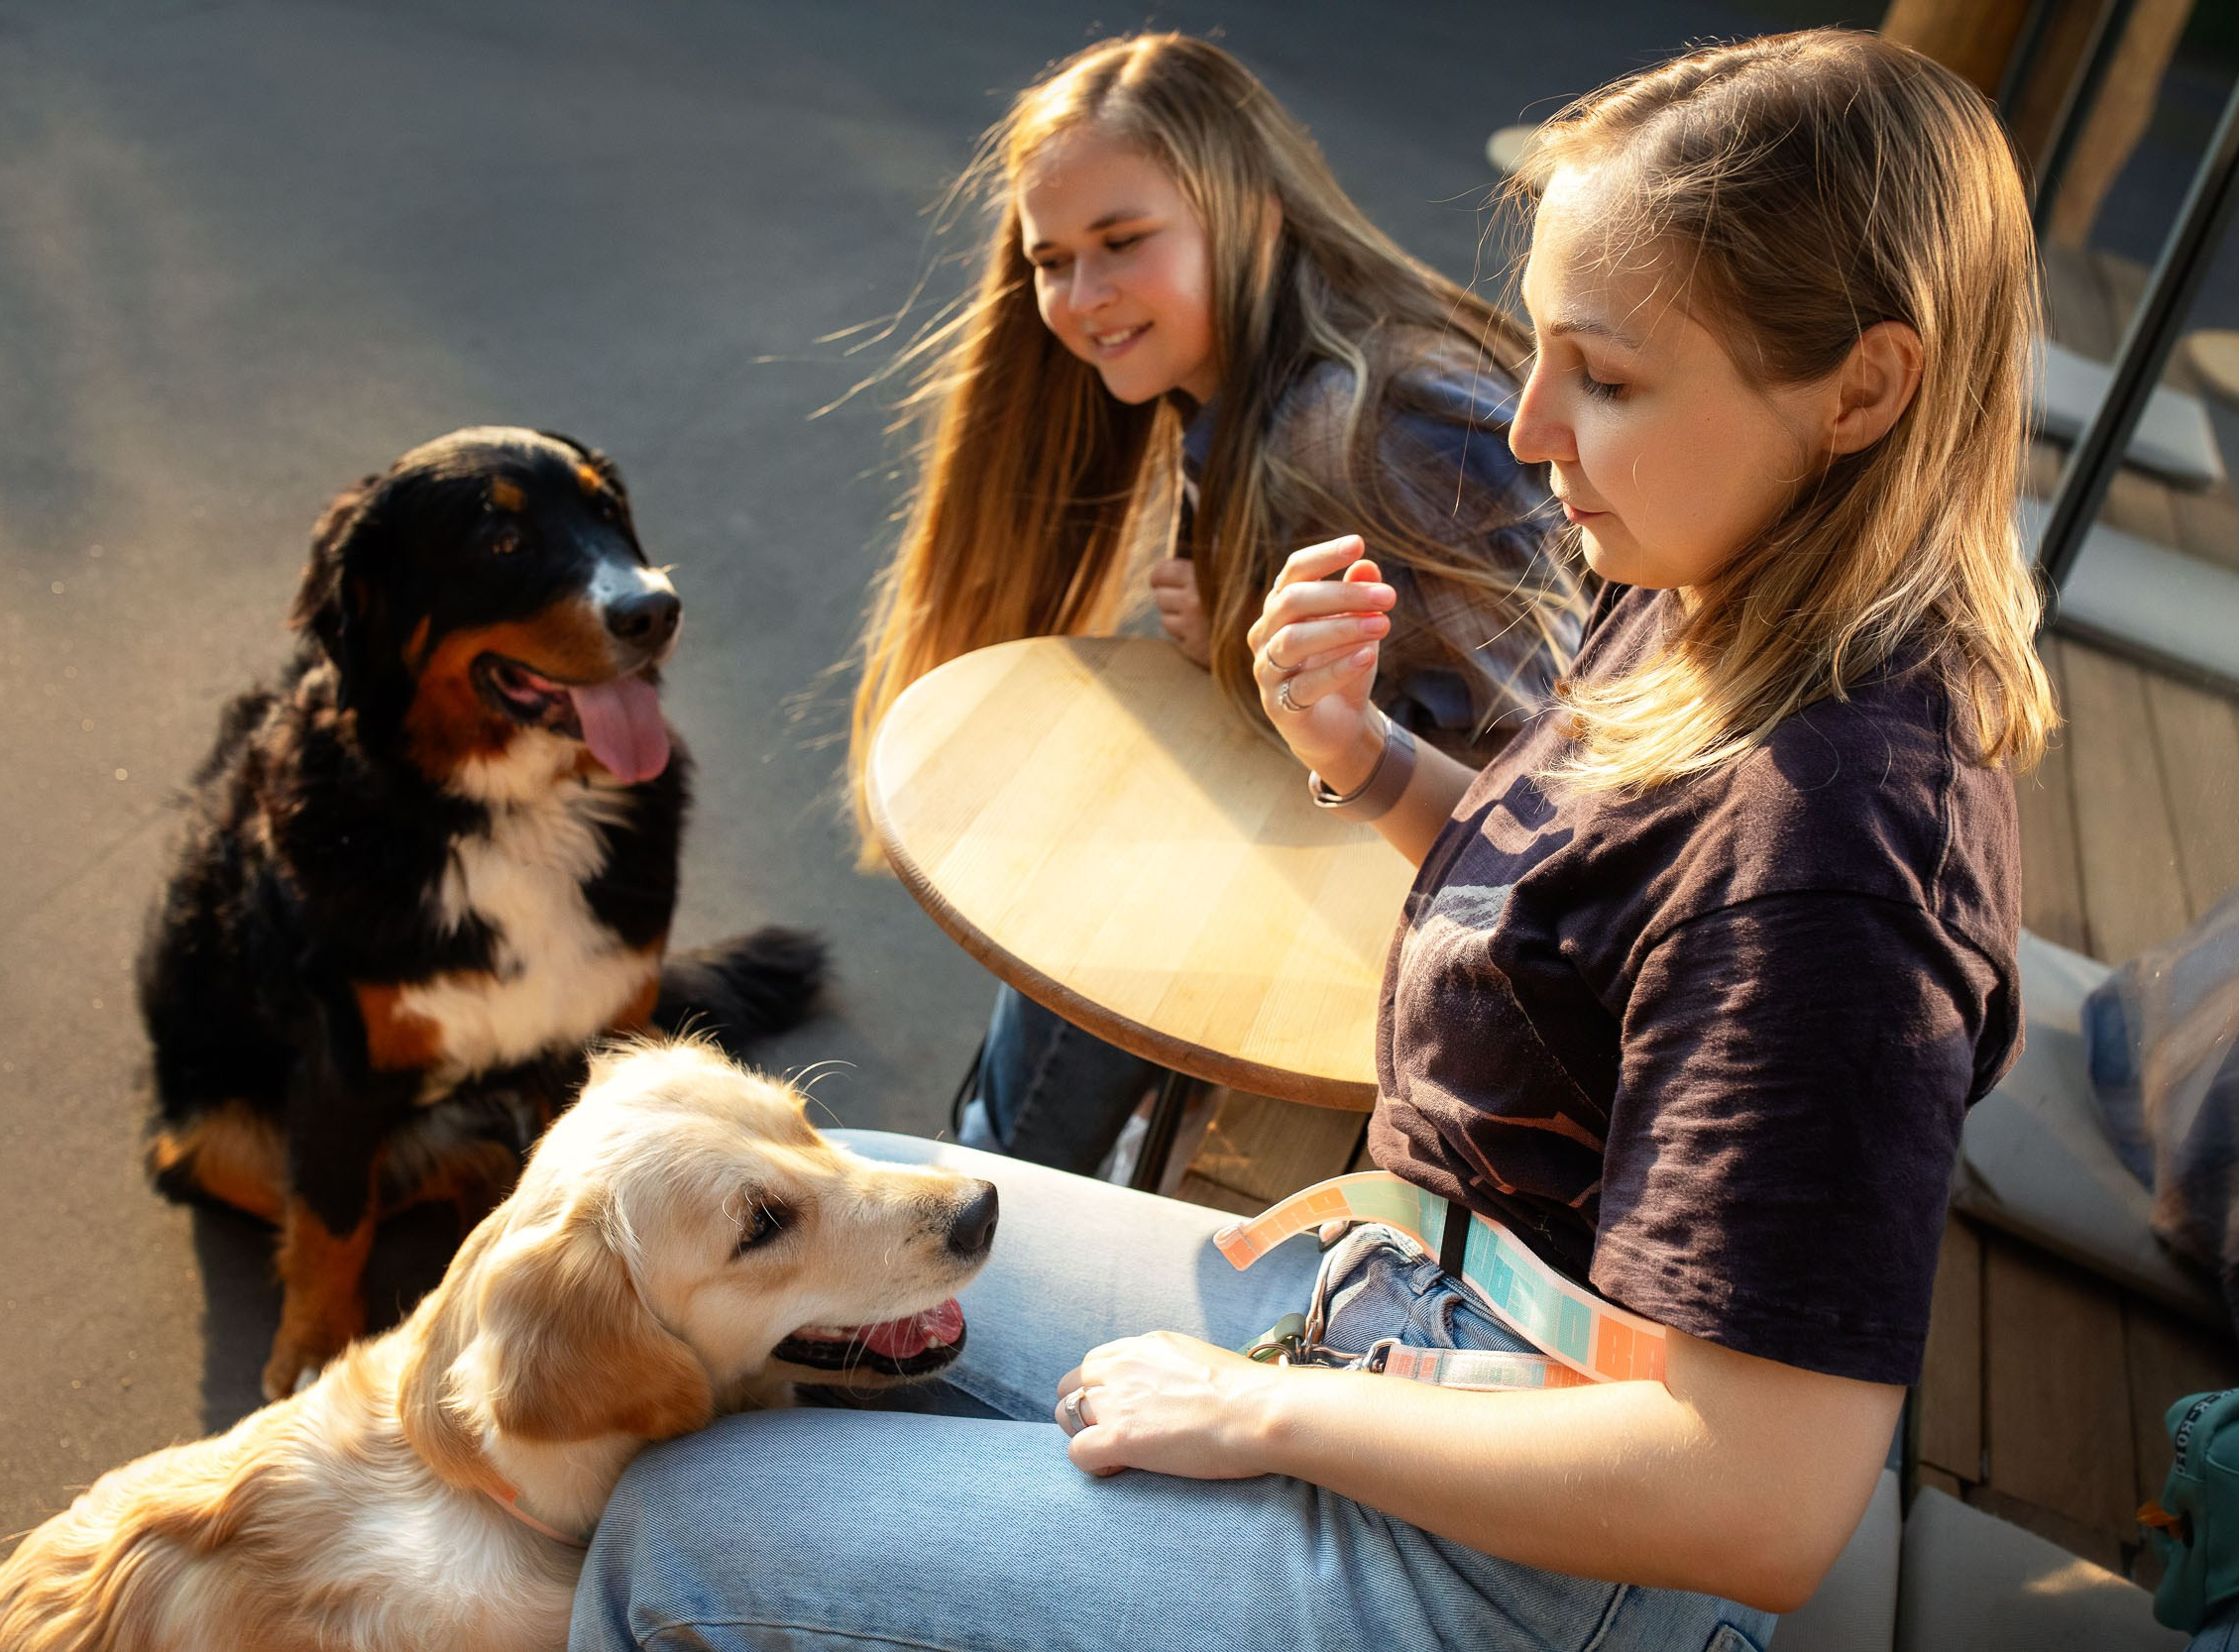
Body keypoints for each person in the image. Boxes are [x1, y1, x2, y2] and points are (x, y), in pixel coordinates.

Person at [574, 28, 2054, 1651]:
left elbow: (1754, 1498)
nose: (1534, 424)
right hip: (1402, 1317)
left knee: (682, 1542)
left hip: (1526, 1558)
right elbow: (1577, 914)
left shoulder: (1838, 860)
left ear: (1864, 387)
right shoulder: (1707, 588)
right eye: (1550, 355)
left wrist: (1264, 1417)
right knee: (858, 1217)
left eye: (1610, 377)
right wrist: (1368, 755)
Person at [843, 33, 1586, 1175]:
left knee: (1108, 866)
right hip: (1367, 851)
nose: (1083, 298)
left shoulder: (1357, 418)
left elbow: (1568, 744)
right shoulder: (1239, 380)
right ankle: (988, 1183)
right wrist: (1251, 642)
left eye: (1123, 242)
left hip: (1456, 942)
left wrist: (1320, 696)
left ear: (1252, 209)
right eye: (1051, 260)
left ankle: (984, 1213)